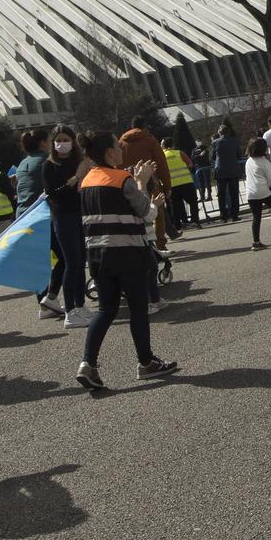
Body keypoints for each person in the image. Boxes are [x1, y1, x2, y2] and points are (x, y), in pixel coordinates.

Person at [74, 131, 180, 391]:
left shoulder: (86, 181)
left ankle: (88, 364)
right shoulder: (123, 179)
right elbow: (146, 214)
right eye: (117, 148)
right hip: (128, 253)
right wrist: (142, 182)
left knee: (106, 310)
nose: (122, 152)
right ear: (110, 153)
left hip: (98, 255)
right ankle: (146, 363)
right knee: (138, 308)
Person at [37, 126, 91, 326]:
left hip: (80, 215)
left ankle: (81, 305)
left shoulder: (79, 162)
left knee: (80, 262)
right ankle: (70, 311)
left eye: (65, 139)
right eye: (58, 140)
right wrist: (73, 181)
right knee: (72, 262)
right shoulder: (49, 165)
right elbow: (52, 194)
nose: (62, 143)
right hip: (63, 217)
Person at [118, 116, 173, 254]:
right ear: (144, 126)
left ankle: (142, 245)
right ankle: (160, 244)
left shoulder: (121, 142)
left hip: (128, 180)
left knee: (137, 214)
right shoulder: (149, 139)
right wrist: (167, 186)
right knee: (157, 212)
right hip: (150, 179)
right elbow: (161, 163)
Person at [211, 122, 244, 223]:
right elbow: (239, 155)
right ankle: (235, 215)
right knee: (234, 193)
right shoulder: (234, 141)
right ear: (228, 132)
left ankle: (223, 216)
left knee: (221, 195)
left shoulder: (215, 142)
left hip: (220, 170)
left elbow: (212, 157)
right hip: (233, 169)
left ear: (219, 133)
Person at [164, 144, 201, 230]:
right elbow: (190, 164)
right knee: (193, 202)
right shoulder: (179, 153)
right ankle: (195, 221)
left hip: (172, 184)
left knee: (175, 206)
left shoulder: (162, 156)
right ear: (172, 145)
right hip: (186, 182)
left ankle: (177, 226)